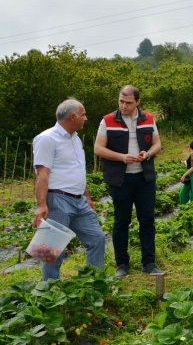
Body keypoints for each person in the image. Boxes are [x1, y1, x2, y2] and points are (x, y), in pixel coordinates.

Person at [94, 85, 164, 277]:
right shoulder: (108, 120)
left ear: (138, 102)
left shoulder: (148, 118)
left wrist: (147, 153)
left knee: (147, 220)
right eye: (121, 101)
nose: (123, 106)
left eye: (128, 103)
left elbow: (157, 143)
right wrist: (121, 157)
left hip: (145, 178)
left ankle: (149, 263)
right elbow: (98, 148)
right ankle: (121, 264)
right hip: (120, 179)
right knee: (121, 221)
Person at [32, 98, 105, 280]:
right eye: (83, 114)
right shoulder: (46, 139)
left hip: (79, 200)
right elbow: (42, 174)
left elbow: (77, 170)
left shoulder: (75, 138)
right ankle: (49, 292)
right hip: (58, 200)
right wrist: (41, 205)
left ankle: (93, 283)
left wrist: (87, 196)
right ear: (73, 116)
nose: (86, 118)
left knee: (97, 239)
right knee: (51, 250)